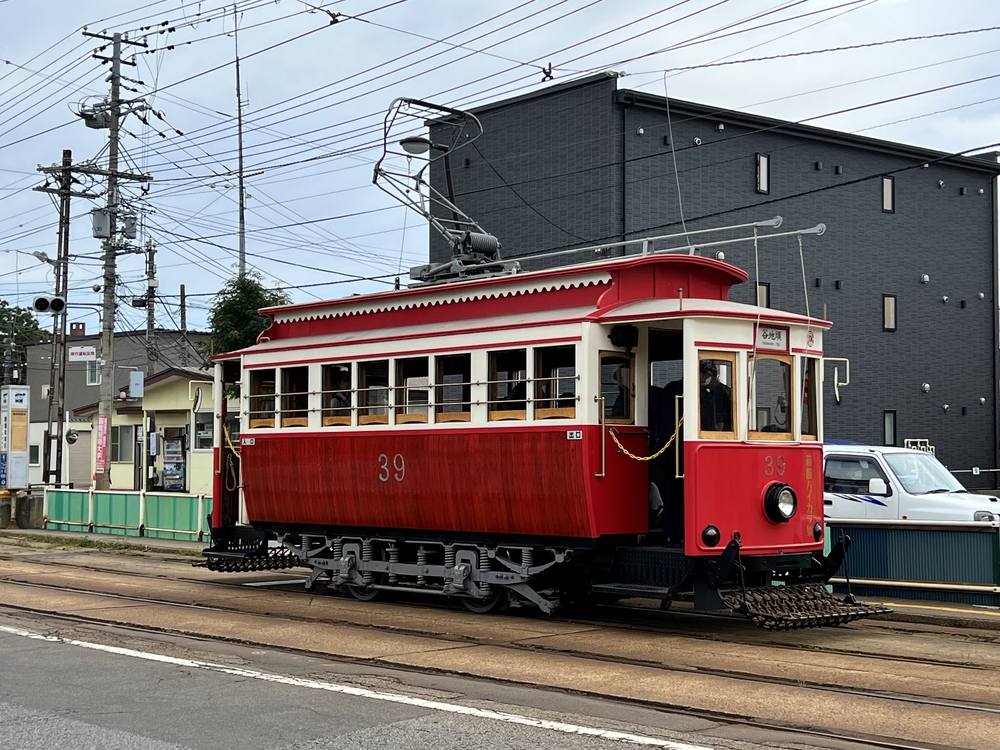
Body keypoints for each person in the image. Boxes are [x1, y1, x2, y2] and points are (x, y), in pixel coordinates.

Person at [700, 360, 732, 432]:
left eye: (707, 377)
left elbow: (719, 424)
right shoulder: (726, 390)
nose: (704, 380)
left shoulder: (718, 392)